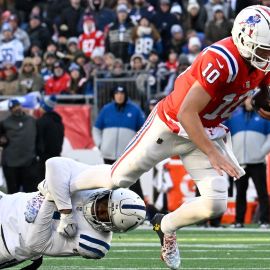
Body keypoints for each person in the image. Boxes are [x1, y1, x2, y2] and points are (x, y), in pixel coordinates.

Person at [69, 5, 270, 269]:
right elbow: (187, 113)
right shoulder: (222, 61)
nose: (267, 56)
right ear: (244, 40)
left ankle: (165, 225)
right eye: (264, 50)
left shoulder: (258, 60)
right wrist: (211, 152)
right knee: (117, 178)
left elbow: (262, 88)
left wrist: (263, 100)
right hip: (172, 123)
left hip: (208, 128)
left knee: (216, 204)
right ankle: (63, 183)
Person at [0, 157, 146, 269]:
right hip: (6, 202)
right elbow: (54, 164)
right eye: (103, 203)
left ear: (110, 227)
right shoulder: (97, 185)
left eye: (103, 214)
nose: (96, 208)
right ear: (107, 193)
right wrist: (66, 212)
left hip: (8, 241)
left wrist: (51, 198)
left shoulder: (94, 243)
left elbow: (36, 244)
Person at [225, 96, 270, 229]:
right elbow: (225, 136)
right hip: (239, 163)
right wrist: (231, 156)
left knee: (261, 192)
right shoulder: (234, 117)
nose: (249, 101)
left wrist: (261, 153)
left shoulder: (264, 115)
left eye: (252, 98)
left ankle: (264, 221)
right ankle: (239, 221)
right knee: (240, 193)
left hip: (258, 162)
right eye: (247, 98)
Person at [0, 99, 39, 194]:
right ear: (10, 110)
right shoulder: (5, 123)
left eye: (17, 106)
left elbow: (39, 137)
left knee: (30, 194)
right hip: (11, 164)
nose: (16, 108)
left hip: (29, 163)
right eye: (13, 107)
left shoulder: (32, 120)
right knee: (13, 194)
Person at [36, 96, 64, 179]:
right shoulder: (58, 121)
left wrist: (39, 153)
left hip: (44, 160)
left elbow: (39, 141)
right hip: (56, 157)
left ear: (44, 107)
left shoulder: (41, 122)